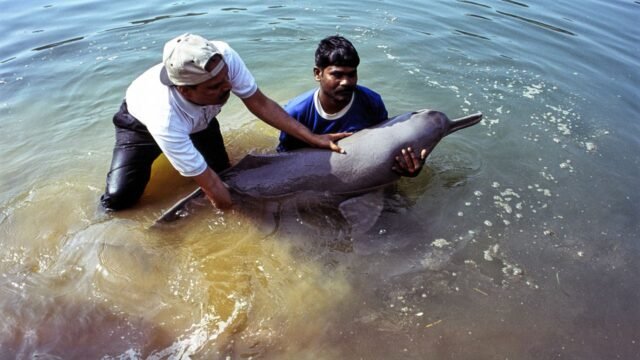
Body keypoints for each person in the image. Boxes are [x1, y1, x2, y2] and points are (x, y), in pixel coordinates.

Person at [100, 33, 350, 211]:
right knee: (119, 199)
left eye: (226, 77)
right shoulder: (164, 116)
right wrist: (238, 220)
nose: (229, 86)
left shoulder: (224, 57)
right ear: (185, 90)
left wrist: (314, 138)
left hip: (202, 119)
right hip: (139, 127)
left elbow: (260, 104)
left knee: (225, 174)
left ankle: (189, 152)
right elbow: (210, 186)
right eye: (216, 86)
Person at [277, 35, 427, 176]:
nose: (346, 82)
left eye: (351, 74)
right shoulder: (295, 113)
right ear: (318, 74)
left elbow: (385, 147)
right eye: (337, 74)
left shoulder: (371, 102)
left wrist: (407, 167)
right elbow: (283, 162)